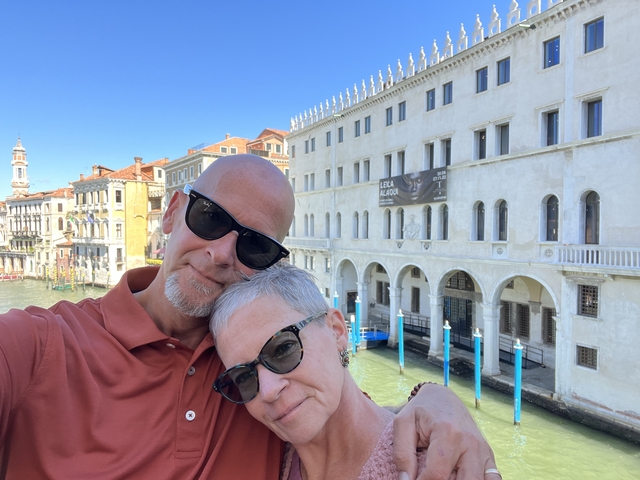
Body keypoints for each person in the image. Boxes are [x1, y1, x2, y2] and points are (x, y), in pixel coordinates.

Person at [0, 154, 498, 479]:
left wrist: (435, 397)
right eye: (210, 218)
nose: (220, 253)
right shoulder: (35, 345)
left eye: (254, 245)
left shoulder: (256, 371)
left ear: (271, 264)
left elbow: (352, 414)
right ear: (172, 213)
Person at [210, 262, 431, 479]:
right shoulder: (269, 459)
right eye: (244, 377)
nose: (267, 392)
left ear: (336, 330)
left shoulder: (435, 466)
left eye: (284, 349)